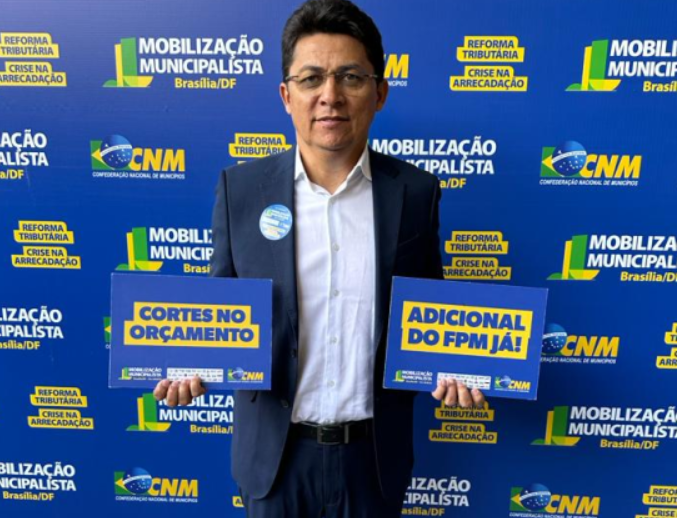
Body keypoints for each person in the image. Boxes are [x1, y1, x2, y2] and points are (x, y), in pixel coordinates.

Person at [154, 0, 485, 515]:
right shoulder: (240, 191)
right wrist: (190, 363)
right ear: (287, 95)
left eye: (350, 77)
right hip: (274, 463)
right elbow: (215, 311)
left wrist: (454, 366)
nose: (330, 96)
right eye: (311, 79)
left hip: (374, 462)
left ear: (379, 92)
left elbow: (432, 314)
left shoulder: (417, 192)